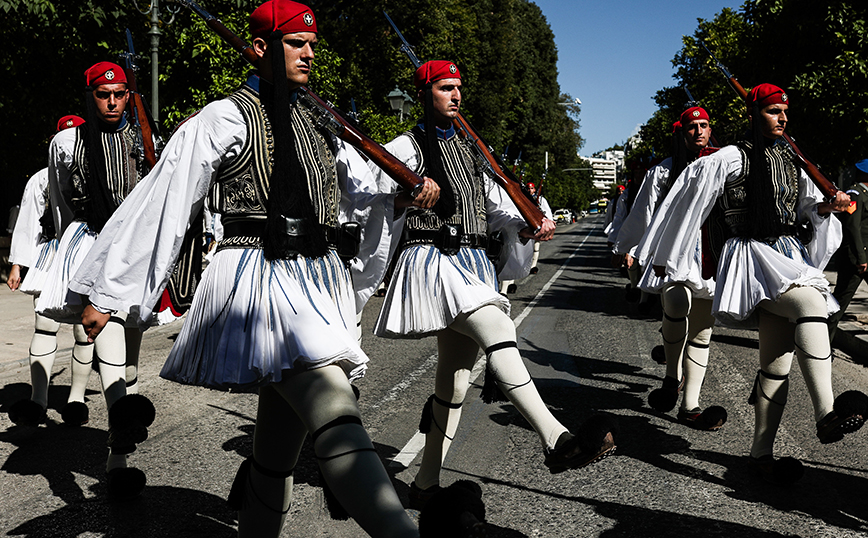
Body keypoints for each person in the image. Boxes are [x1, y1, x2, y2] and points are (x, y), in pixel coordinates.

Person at [67, 2, 478, 536]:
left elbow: (350, 195)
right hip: (260, 281)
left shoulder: (318, 120)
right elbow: (165, 199)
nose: (309, 53)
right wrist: (111, 291)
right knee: (335, 408)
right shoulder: (226, 115)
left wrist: (402, 195)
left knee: (277, 449)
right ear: (261, 48)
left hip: (312, 280)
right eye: (295, 43)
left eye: (311, 43)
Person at [371, 59, 617, 509]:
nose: (456, 95)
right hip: (434, 260)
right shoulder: (407, 145)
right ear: (426, 94)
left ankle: (424, 485)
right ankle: (556, 440)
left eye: (458, 88)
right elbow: (370, 192)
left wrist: (525, 227)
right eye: (446, 88)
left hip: (470, 261)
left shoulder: (469, 147)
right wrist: (404, 197)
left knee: (456, 385)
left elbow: (493, 209)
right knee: (500, 331)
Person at [641, 83, 867, 484]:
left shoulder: (789, 157)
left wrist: (824, 207)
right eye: (772, 111)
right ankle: (826, 413)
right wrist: (668, 257)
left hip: (784, 253)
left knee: (775, 363)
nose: (782, 118)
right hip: (750, 257)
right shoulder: (728, 158)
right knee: (812, 304)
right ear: (753, 114)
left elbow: (801, 208)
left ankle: (761, 455)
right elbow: (689, 203)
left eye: (784, 112)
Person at [36, 63, 156, 499]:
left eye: (120, 94)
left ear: (128, 95)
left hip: (137, 248)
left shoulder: (145, 138)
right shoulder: (67, 142)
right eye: (104, 94)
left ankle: (119, 446)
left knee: (131, 355)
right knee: (106, 334)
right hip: (94, 244)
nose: (112, 101)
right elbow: (61, 197)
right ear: (90, 95)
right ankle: (119, 432)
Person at [621, 107, 727, 430]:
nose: (699, 132)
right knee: (677, 302)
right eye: (692, 127)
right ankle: (671, 377)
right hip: (675, 255)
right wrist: (629, 247)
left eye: (704, 125)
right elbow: (644, 211)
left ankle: (690, 404)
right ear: (682, 134)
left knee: (702, 331)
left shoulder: (725, 166)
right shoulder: (663, 172)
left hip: (710, 254)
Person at [6, 115, 95, 428]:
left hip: (86, 253)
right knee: (45, 325)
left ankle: (75, 400)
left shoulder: (99, 171)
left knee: (84, 332)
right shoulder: (41, 179)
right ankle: (38, 400)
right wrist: (18, 263)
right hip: (52, 253)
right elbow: (28, 222)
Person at [828, 159, 868, 342]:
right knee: (840, 303)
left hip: (864, 257)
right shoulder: (856, 194)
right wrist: (860, 257)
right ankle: (821, 344)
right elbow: (853, 228)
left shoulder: (865, 194)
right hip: (855, 259)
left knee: (839, 301)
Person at [499, 180, 552, 294]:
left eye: (532, 188)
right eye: (528, 188)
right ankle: (505, 289)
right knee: (511, 255)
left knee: (535, 248)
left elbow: (547, 213)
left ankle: (533, 266)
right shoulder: (522, 197)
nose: (530, 190)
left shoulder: (540, 200)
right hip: (520, 227)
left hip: (533, 228)